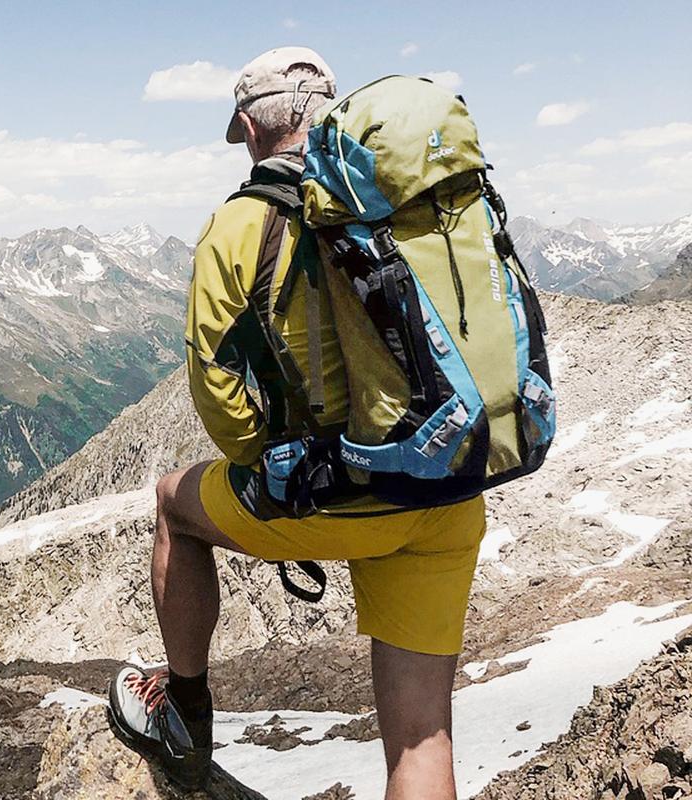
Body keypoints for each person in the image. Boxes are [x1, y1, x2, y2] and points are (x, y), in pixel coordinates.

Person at [107, 47, 487, 800]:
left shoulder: (239, 223)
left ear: (250, 126)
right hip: (449, 490)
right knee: (420, 739)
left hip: (341, 496)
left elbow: (217, 390)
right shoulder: (408, 198)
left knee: (169, 504)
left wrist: (276, 464)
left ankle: (183, 717)